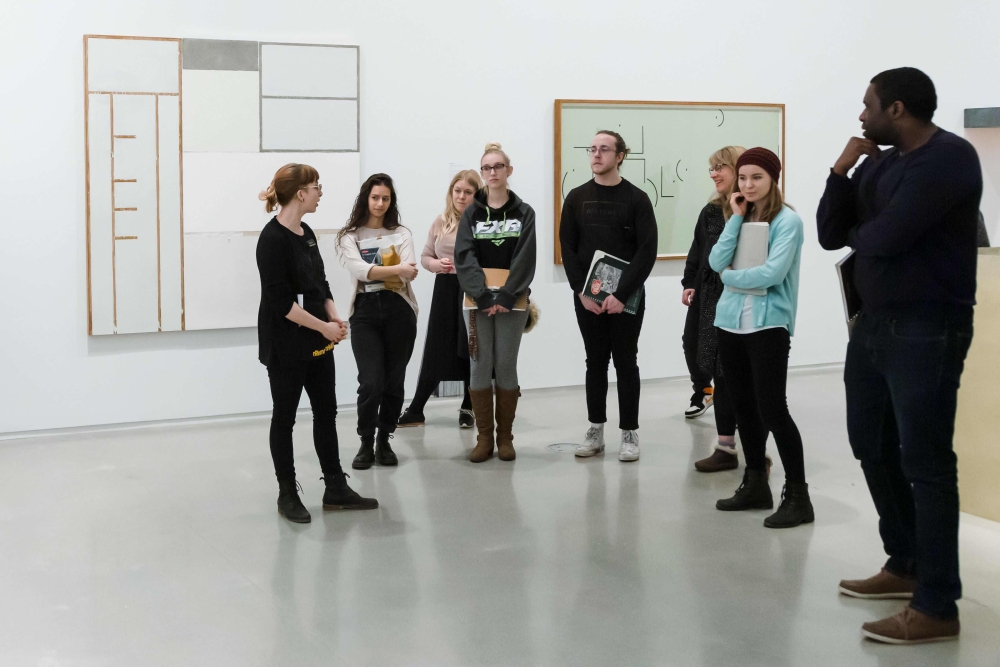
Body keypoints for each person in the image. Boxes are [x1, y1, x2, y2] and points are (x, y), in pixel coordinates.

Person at [817, 67, 982, 645]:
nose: (860, 116)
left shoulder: (949, 159)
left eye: (868, 106)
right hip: (873, 324)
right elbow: (830, 232)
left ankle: (938, 604)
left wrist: (870, 230)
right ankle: (905, 561)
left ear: (898, 109)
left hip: (927, 326)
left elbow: (888, 237)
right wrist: (840, 171)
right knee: (870, 441)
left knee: (927, 460)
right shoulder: (879, 163)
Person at [255, 163, 378, 523]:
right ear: (300, 194)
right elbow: (280, 304)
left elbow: (319, 283)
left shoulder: (306, 232)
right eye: (316, 186)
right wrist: (324, 328)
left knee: (326, 413)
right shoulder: (271, 239)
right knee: (285, 417)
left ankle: (335, 486)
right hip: (286, 342)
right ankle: (287, 492)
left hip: (316, 337)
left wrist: (334, 316)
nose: (320, 191)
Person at [708, 147, 811, 528]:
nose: (748, 185)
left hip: (768, 326)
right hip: (731, 324)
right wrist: (735, 219)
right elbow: (716, 261)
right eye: (744, 177)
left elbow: (771, 274)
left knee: (773, 409)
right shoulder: (740, 214)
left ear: (773, 180)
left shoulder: (788, 221)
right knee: (742, 407)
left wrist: (730, 278)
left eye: (757, 178)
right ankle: (755, 484)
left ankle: (798, 496)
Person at [559, 130, 657, 462]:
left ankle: (629, 433)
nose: (596, 154)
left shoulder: (637, 199)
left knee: (626, 362)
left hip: (626, 299)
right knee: (595, 362)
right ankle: (595, 430)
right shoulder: (575, 197)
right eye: (593, 149)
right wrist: (581, 291)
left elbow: (647, 251)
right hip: (588, 298)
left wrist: (623, 293)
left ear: (620, 156)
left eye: (604, 149)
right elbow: (568, 248)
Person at [455, 142, 537, 463]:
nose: (492, 173)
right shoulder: (472, 213)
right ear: (482, 172)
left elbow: (525, 257)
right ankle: (484, 438)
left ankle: (505, 437)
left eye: (498, 167)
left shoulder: (524, 212)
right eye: (487, 168)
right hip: (477, 302)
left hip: (513, 302)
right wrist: (483, 294)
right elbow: (464, 256)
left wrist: (505, 295)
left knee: (505, 364)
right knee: (479, 364)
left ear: (508, 171)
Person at [337, 174, 420, 470]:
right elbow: (359, 270)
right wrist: (395, 268)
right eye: (375, 198)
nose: (380, 203)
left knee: (393, 381)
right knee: (371, 381)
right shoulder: (351, 236)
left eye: (385, 198)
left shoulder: (401, 233)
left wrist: (386, 271)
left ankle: (384, 439)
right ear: (365, 199)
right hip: (365, 312)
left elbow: (410, 272)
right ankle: (365, 441)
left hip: (400, 309)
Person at [397, 170, 483, 429]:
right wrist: (436, 264)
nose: (461, 196)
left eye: (468, 192)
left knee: (470, 348)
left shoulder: (483, 222)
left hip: (472, 290)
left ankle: (468, 406)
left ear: (476, 195)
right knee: (437, 346)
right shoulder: (441, 221)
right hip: (445, 289)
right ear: (451, 193)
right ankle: (417, 409)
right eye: (457, 191)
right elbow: (424, 257)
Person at [684, 146, 745, 472]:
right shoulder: (710, 211)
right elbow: (700, 250)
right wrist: (688, 282)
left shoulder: (755, 211)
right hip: (708, 295)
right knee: (698, 351)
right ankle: (725, 445)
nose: (714, 174)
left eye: (720, 167)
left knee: (734, 375)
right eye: (712, 168)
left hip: (739, 298)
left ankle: (745, 448)